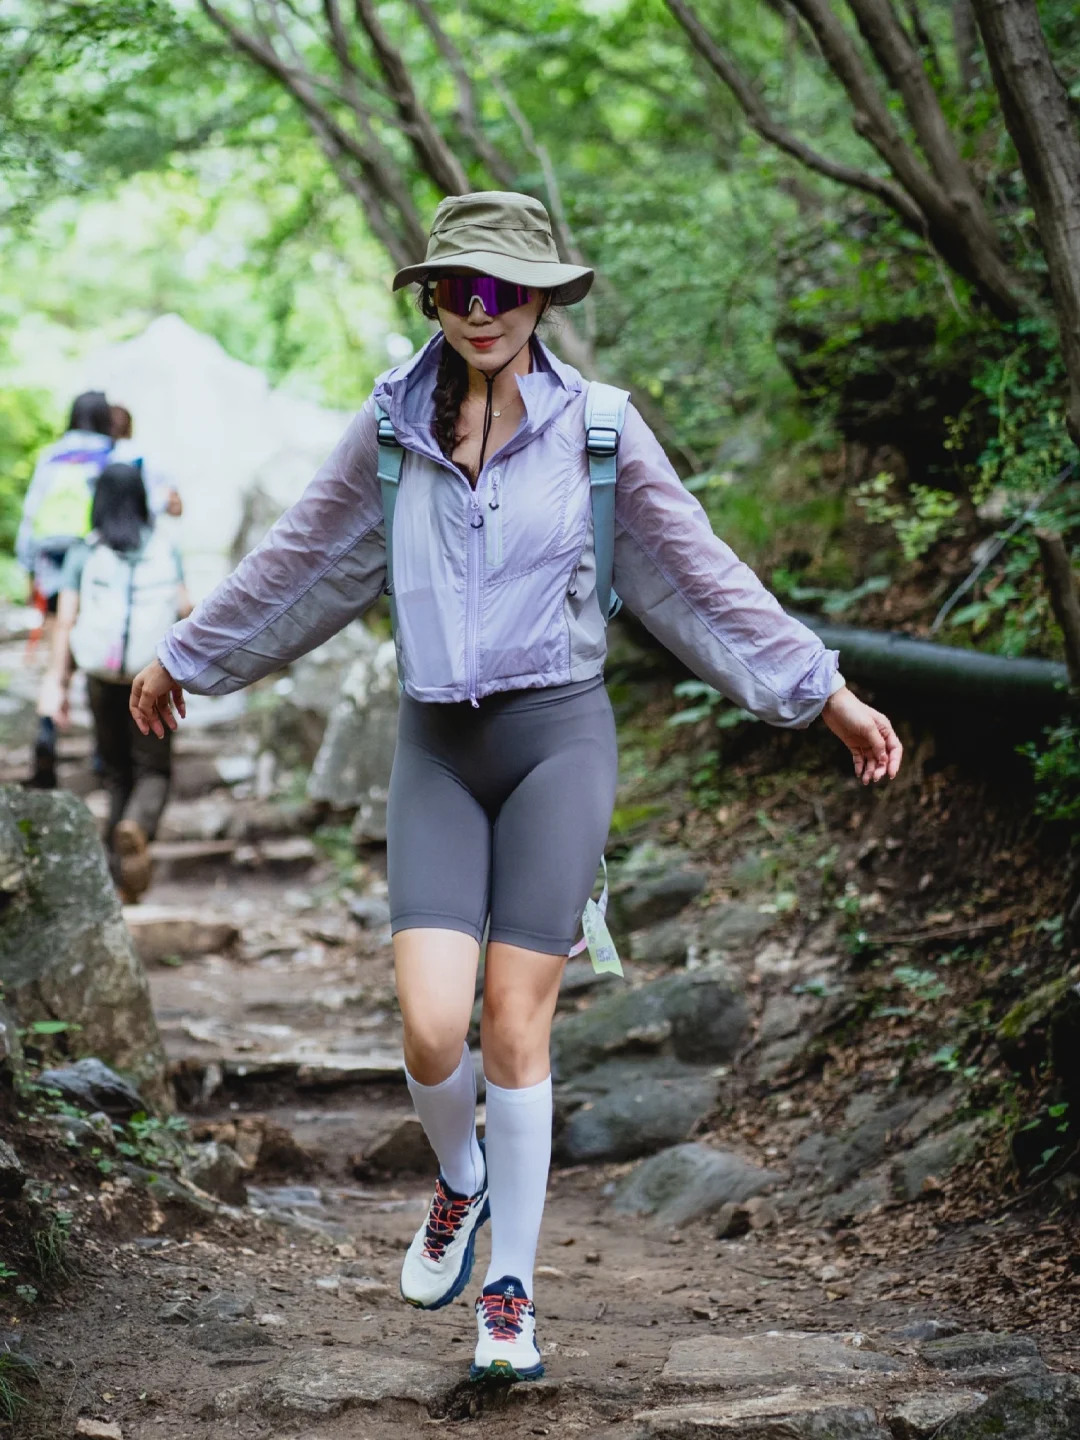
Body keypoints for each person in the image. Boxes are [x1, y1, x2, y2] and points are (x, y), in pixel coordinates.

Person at [128, 192, 902, 1382]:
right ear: (433, 296)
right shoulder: (392, 426)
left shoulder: (601, 430)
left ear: (543, 298)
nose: (481, 311)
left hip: (559, 740)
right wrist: (190, 655)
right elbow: (304, 561)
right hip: (437, 747)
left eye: (506, 289)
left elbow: (700, 577)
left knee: (513, 1020)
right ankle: (461, 1181)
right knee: (435, 1029)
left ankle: (512, 1298)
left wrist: (821, 691)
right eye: (459, 288)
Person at [45, 462, 190, 902]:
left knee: (114, 772)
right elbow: (185, 608)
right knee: (154, 767)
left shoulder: (84, 553)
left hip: (100, 676)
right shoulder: (163, 548)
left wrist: (58, 680)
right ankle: (138, 826)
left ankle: (117, 879)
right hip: (150, 675)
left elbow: (66, 620)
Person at [17, 391, 116, 788]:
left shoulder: (52, 456)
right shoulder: (111, 456)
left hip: (54, 569)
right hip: (94, 570)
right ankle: (101, 752)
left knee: (57, 659)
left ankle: (46, 732)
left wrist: (31, 576)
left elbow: (29, 522)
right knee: (94, 656)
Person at [109, 405, 184, 518]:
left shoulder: (99, 459)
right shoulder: (148, 457)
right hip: (140, 530)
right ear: (130, 428)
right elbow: (176, 508)